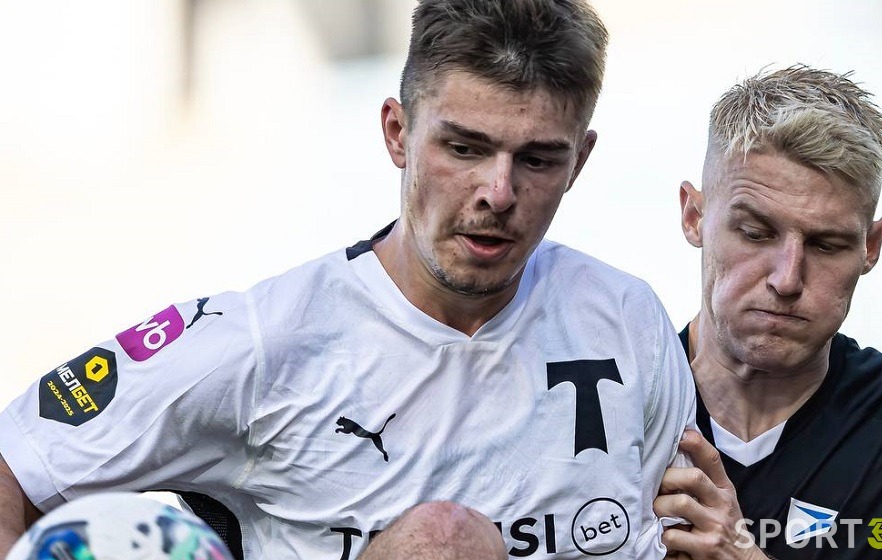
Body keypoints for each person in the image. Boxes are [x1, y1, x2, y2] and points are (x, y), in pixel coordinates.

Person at [0, 1, 696, 558]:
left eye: (538, 160)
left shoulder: (626, 318)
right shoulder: (265, 342)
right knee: (444, 541)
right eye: (464, 148)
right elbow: (15, 458)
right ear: (397, 132)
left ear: (580, 163)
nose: (499, 192)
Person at [654, 65, 882, 559]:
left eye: (826, 245)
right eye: (755, 233)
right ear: (694, 216)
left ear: (870, 246)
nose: (787, 280)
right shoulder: (608, 407)